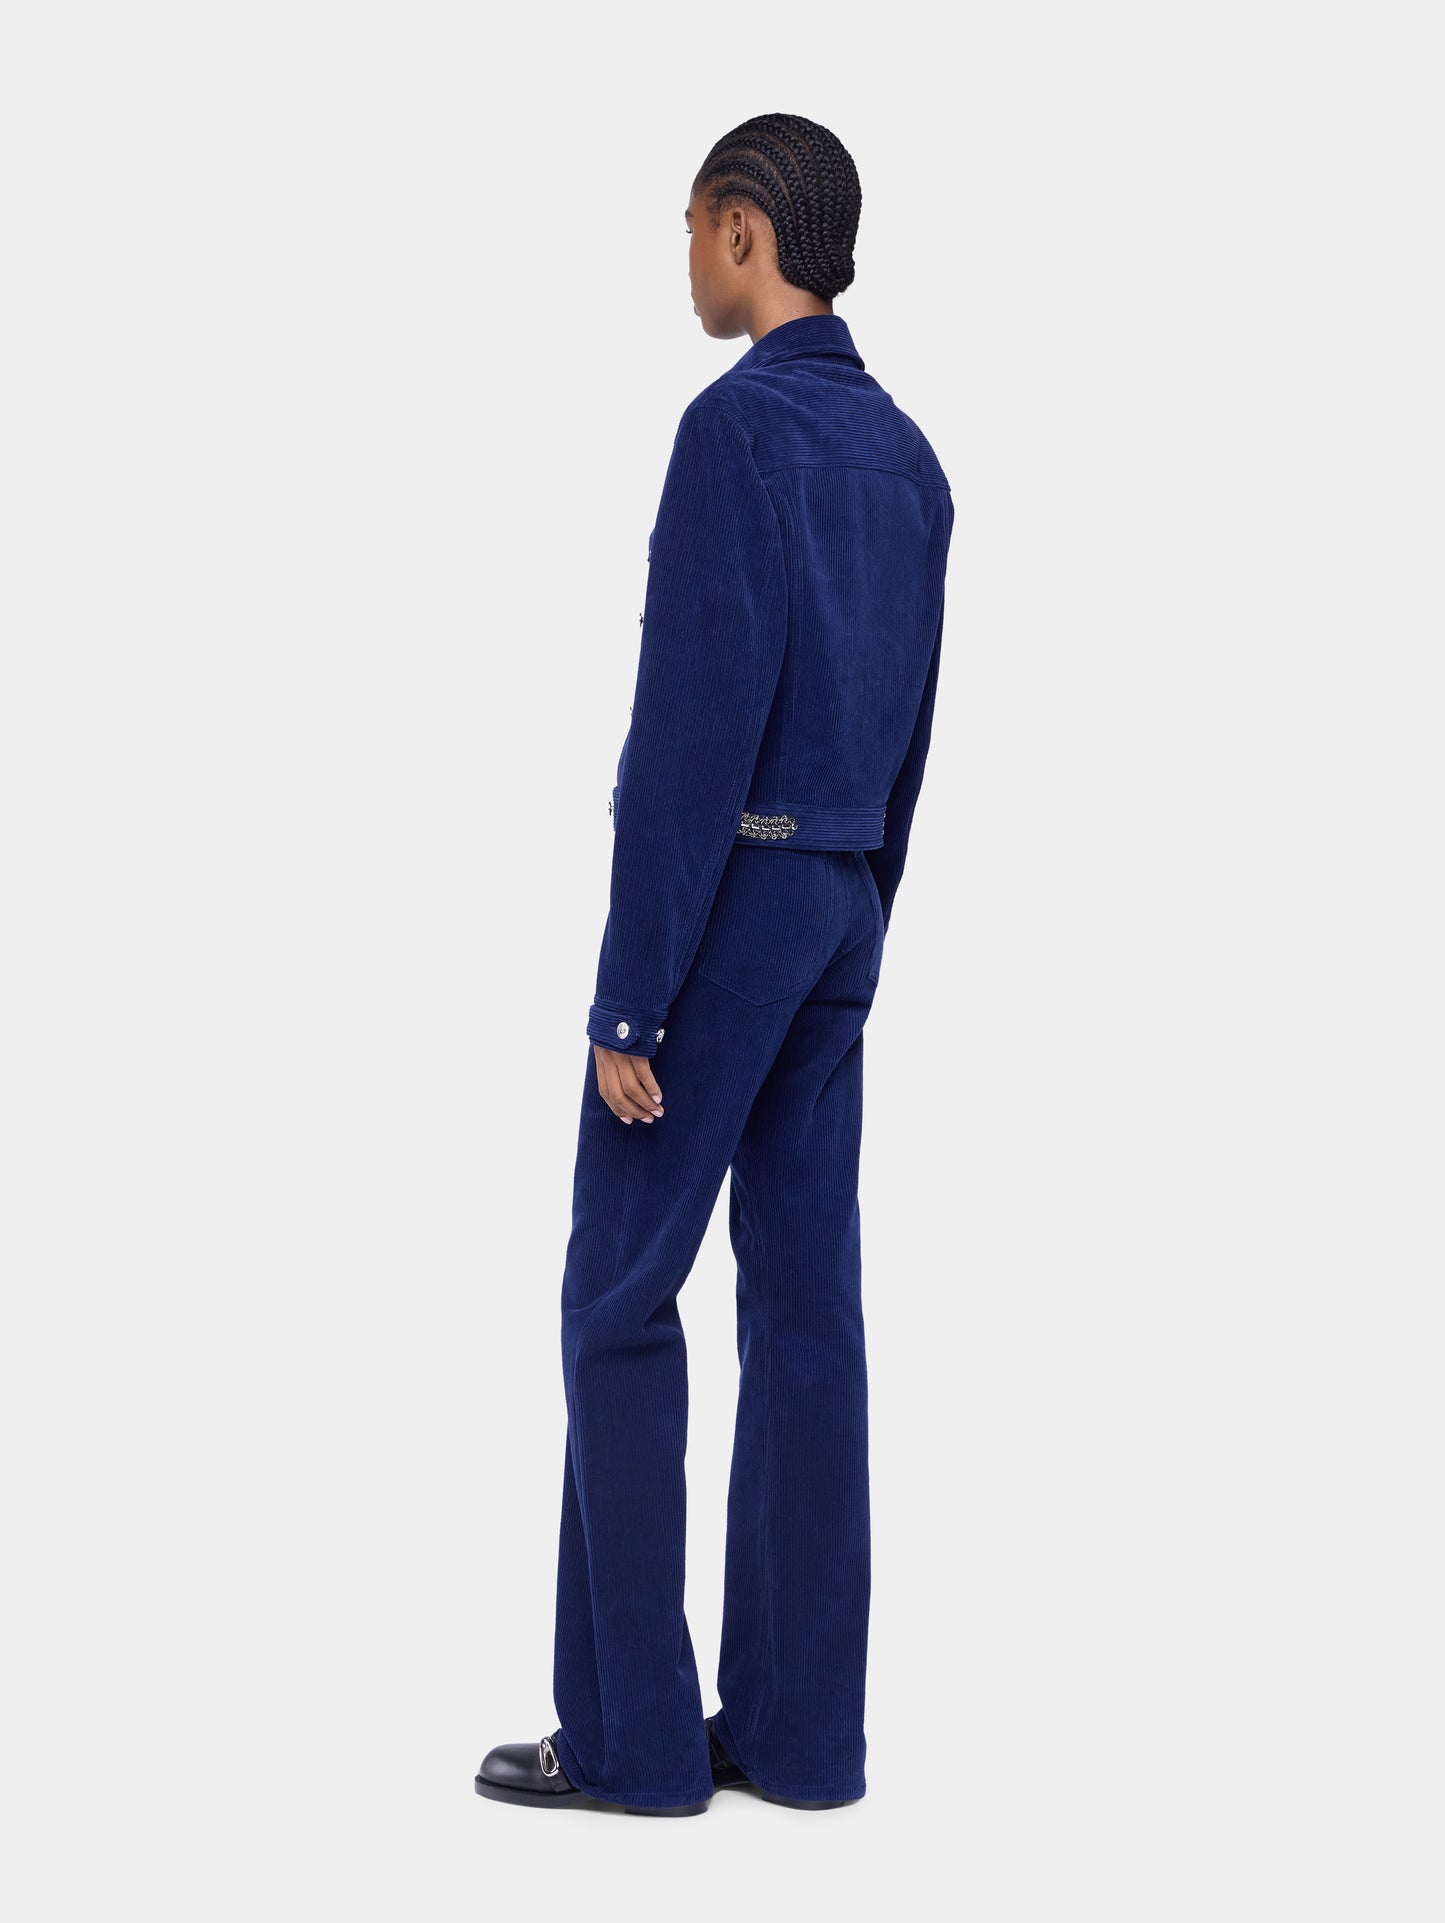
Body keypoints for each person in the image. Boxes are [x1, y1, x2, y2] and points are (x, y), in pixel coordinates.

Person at [474, 112, 954, 1817]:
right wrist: (864, 905)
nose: (683, 260)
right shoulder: (909, 460)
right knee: (806, 1306)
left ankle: (632, 1743)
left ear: (745, 230)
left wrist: (630, 998)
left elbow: (687, 735)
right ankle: (803, 1741)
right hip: (840, 905)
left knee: (619, 1293)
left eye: (691, 227)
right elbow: (909, 725)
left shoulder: (733, 431)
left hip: (732, 902)